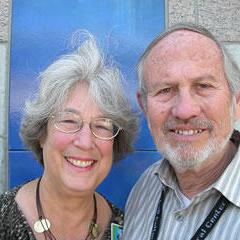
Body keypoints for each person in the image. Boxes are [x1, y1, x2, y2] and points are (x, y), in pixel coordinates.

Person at [0, 31, 138, 240]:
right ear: (41, 133)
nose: (85, 142)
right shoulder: (4, 220)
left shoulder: (124, 230)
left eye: (102, 125)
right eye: (69, 121)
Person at [123, 23, 240, 240]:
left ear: (237, 101)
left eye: (203, 86)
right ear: (144, 107)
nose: (185, 110)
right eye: (165, 90)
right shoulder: (145, 187)